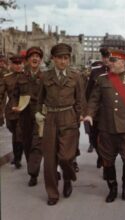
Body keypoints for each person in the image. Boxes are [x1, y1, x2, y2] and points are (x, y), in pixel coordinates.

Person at [84, 49, 125, 203]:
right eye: (109, 61)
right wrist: (89, 114)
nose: (110, 63)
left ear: (122, 63)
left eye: (113, 61)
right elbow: (94, 99)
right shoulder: (102, 79)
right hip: (107, 127)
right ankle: (112, 187)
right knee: (108, 160)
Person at [37, 43, 83, 205]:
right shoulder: (45, 76)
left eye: (66, 58)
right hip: (50, 118)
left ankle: (68, 177)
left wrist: (78, 120)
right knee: (49, 159)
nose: (63, 62)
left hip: (68, 117)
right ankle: (52, 194)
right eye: (59, 58)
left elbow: (80, 101)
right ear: (54, 59)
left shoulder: (76, 76)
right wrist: (38, 113)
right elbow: (40, 98)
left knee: (65, 157)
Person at [12, 47, 45, 186]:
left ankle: (33, 172)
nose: (35, 59)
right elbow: (15, 95)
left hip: (40, 117)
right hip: (25, 116)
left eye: (37, 56)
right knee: (27, 144)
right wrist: (14, 105)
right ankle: (33, 171)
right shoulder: (21, 77)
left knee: (37, 145)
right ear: (28, 60)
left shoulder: (45, 77)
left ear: (41, 60)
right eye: (32, 56)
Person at [3, 55, 25, 168]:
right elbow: (1, 96)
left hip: (23, 110)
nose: (18, 66)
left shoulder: (27, 77)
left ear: (23, 64)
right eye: (15, 64)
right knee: (14, 133)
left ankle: (17, 158)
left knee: (19, 134)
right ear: (12, 65)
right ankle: (18, 155)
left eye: (20, 63)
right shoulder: (6, 78)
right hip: (10, 111)